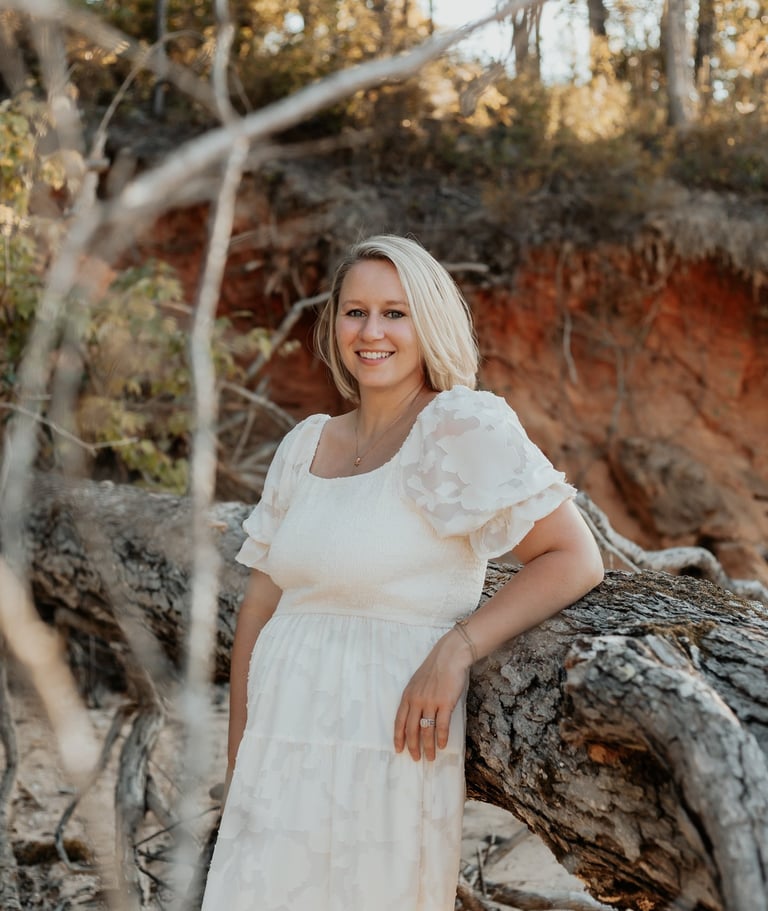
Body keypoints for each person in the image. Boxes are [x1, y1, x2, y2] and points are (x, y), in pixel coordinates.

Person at [201, 235, 604, 911]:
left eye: (395, 312)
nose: (372, 331)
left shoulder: (458, 427)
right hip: (279, 746)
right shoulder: (305, 445)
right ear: (334, 325)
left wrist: (458, 646)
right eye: (355, 311)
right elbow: (259, 609)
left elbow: (574, 557)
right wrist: (241, 757)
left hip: (385, 746)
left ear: (429, 323)